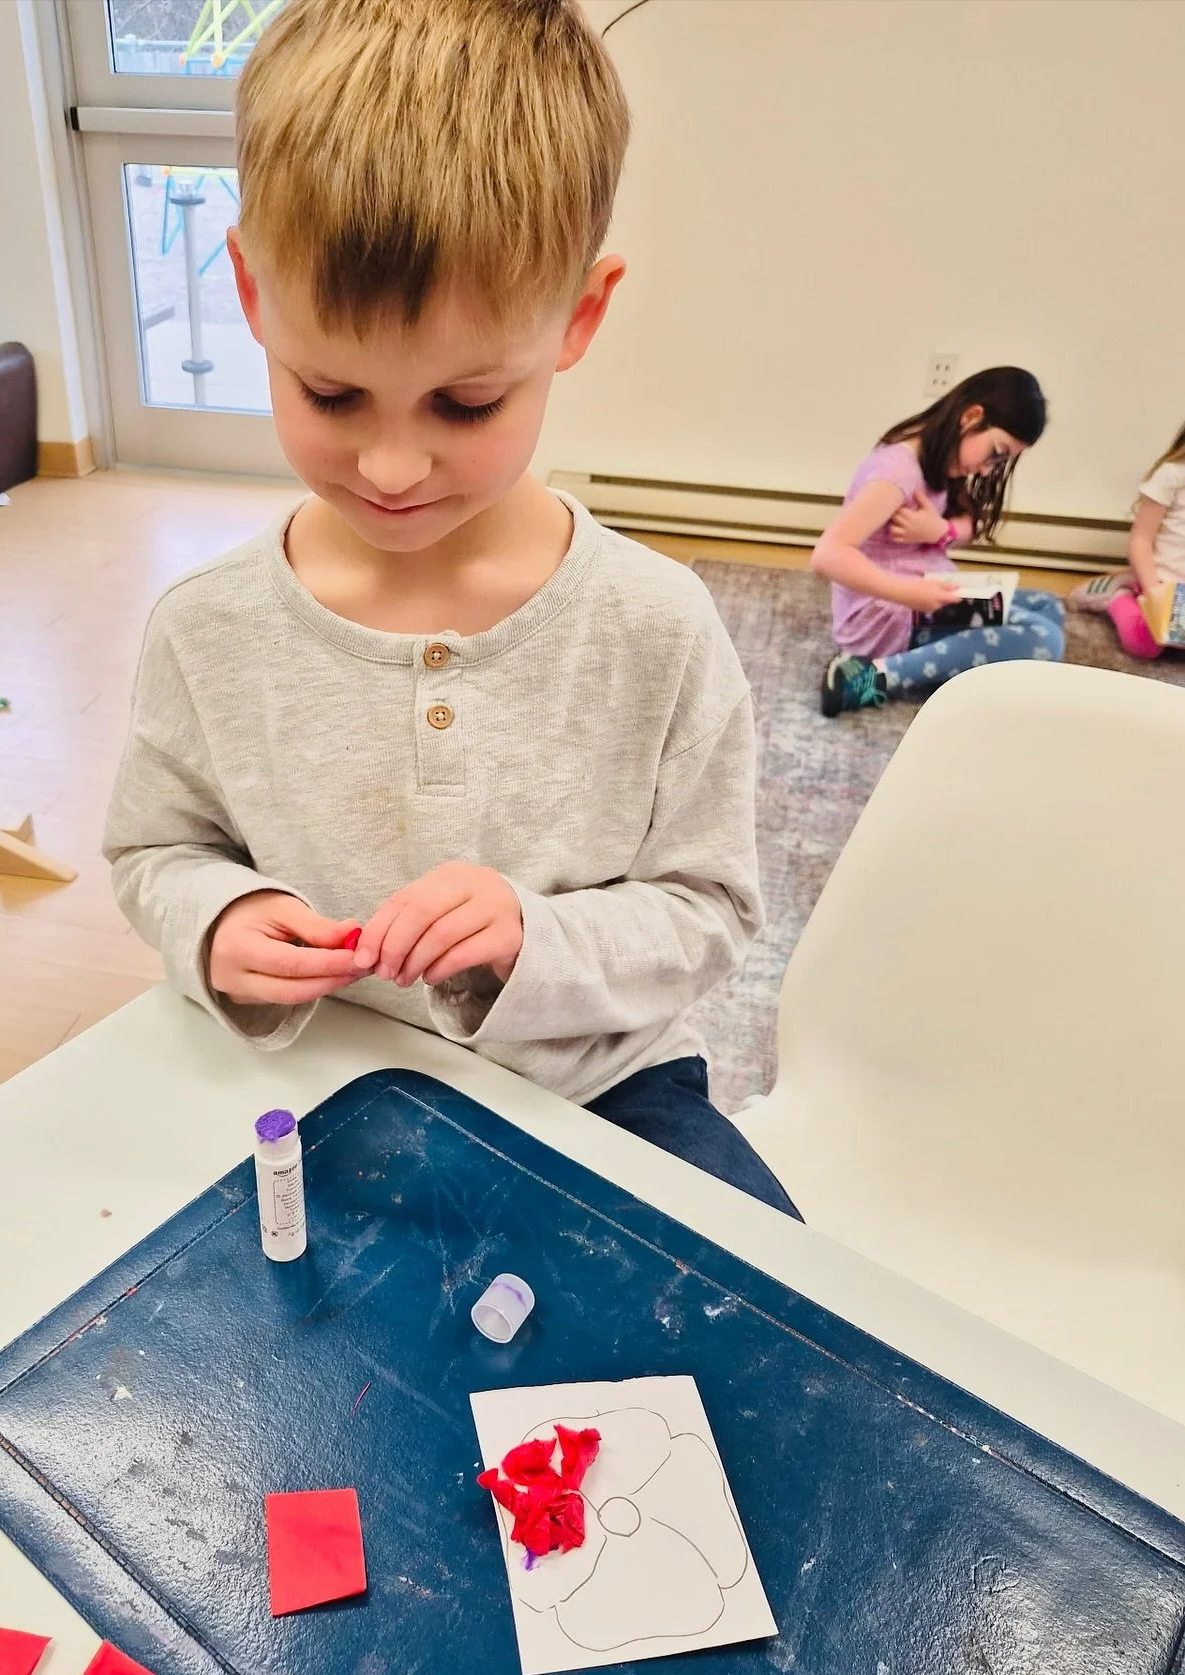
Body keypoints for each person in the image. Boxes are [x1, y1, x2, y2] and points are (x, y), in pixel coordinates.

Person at [105, 0, 799, 1219]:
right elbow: (157, 851)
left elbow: (712, 911)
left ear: (578, 318)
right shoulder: (207, 629)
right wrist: (220, 921)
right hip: (322, 1082)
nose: (389, 468)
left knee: (776, 1341)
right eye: (331, 392)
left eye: (465, 405)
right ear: (252, 296)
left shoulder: (656, 626)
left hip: (598, 1089)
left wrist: (534, 938)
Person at [813, 368, 1066, 716]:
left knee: (1049, 607)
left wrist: (939, 532)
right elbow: (827, 555)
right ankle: (872, 676)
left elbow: (971, 524)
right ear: (971, 417)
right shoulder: (898, 472)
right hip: (889, 615)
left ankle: (952, 662)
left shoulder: (940, 454)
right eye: (996, 453)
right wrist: (910, 594)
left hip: (927, 593)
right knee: (1045, 640)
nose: (990, 469)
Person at [1066, 420, 1185, 659]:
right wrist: (1154, 593)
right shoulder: (1172, 475)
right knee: (1144, 643)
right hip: (1161, 584)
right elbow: (1140, 540)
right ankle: (1116, 595)